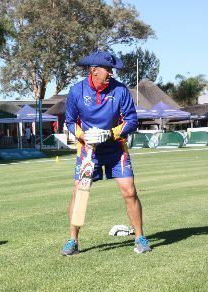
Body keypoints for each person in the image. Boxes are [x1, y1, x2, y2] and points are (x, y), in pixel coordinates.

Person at [61, 50, 151, 256]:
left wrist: (110, 133)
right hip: (88, 151)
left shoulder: (120, 91)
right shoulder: (76, 91)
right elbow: (69, 122)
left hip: (116, 148)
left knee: (130, 191)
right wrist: (85, 136)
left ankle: (140, 238)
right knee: (80, 194)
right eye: (107, 69)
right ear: (93, 70)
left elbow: (131, 121)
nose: (111, 73)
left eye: (111, 69)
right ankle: (72, 241)